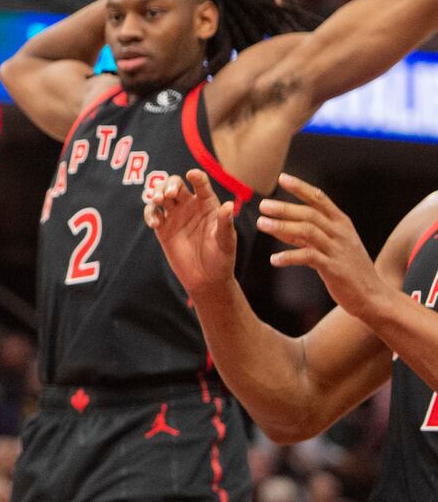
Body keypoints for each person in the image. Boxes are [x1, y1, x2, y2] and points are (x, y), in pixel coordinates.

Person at [0, 0, 438, 501]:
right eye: (116, 18)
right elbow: (21, 66)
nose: (125, 30)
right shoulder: (89, 103)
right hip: (56, 422)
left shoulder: (235, 105)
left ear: (206, 18)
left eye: (152, 14)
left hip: (166, 416)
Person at [148, 172, 438, 500]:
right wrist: (211, 289)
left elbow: (374, 300)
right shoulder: (425, 223)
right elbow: (299, 398)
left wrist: (374, 299)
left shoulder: (382, 295)